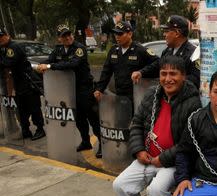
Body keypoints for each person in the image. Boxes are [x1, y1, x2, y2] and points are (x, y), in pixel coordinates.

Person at [112, 56, 201, 196]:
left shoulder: (192, 102)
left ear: (183, 76)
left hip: (171, 161)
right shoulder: (152, 94)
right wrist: (138, 150)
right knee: (120, 185)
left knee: (157, 190)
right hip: (147, 156)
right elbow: (136, 124)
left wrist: (163, 158)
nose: (168, 79)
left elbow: (188, 142)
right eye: (163, 73)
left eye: (173, 74)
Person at [37, 24, 101, 157]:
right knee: (79, 119)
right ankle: (85, 141)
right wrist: (42, 65)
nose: (68, 38)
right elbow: (49, 60)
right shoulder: (58, 50)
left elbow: (72, 64)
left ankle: (102, 144)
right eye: (64, 36)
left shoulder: (79, 48)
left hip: (85, 89)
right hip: (70, 91)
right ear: (59, 39)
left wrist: (49, 66)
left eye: (69, 34)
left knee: (92, 118)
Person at [94, 21, 159, 103]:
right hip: (119, 95)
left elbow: (158, 63)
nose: (117, 37)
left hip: (137, 97)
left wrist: (141, 72)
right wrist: (99, 89)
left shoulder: (140, 50)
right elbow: (106, 72)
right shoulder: (114, 50)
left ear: (130, 34)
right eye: (115, 34)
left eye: (120, 34)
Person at [0, 28, 45, 140]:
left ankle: (40, 130)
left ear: (7, 35)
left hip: (27, 82)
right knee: (21, 109)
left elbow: (7, 63)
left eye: (1, 37)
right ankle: (26, 130)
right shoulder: (5, 48)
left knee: (34, 107)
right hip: (19, 84)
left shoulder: (13, 47)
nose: (0, 39)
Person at [131, 15, 200, 88]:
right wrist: (141, 73)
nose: (164, 34)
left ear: (177, 33)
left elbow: (196, 79)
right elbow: (158, 66)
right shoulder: (167, 51)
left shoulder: (194, 53)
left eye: (167, 31)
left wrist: (174, 79)